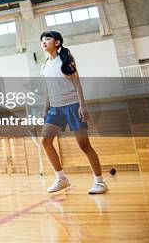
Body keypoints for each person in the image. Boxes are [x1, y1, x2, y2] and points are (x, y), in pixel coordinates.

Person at [40, 31, 108, 194]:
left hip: (72, 106)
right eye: (42, 40)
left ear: (57, 42)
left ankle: (100, 182)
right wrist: (45, 109)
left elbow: (77, 84)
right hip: (55, 109)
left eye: (47, 39)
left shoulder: (65, 61)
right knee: (45, 142)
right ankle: (61, 178)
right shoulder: (44, 66)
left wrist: (82, 106)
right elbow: (47, 90)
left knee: (84, 145)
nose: (43, 42)